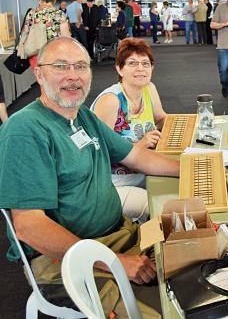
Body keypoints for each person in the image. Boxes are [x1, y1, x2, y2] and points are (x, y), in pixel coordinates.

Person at [0, 37, 180, 316]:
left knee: (194, 257)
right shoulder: (25, 129)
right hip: (65, 260)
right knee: (158, 313)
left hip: (119, 233)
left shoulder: (82, 115)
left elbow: (135, 156)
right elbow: (28, 226)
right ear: (39, 73)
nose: (73, 76)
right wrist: (114, 262)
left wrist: (192, 167)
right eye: (61, 66)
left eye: (81, 66)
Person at [91, 38, 167, 222]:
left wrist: (187, 126)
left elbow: (161, 118)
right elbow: (97, 156)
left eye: (145, 63)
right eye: (132, 63)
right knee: (161, 207)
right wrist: (140, 144)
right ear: (119, 68)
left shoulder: (149, 89)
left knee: (180, 191)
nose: (140, 69)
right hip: (111, 184)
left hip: (142, 172)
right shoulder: (111, 101)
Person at [21, 0, 70, 68]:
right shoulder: (59, 14)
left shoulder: (31, 13)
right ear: (54, 0)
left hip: (35, 53)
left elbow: (25, 32)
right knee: (53, 77)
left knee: (39, 77)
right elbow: (65, 37)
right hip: (55, 54)